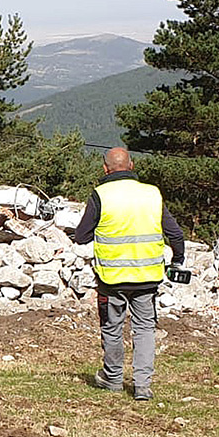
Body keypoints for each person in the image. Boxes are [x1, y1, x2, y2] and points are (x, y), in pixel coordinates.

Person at [69, 147, 190, 401]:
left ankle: (112, 379)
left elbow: (81, 236)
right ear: (132, 165)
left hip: (112, 278)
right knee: (144, 328)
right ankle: (142, 386)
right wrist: (177, 260)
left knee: (112, 327)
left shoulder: (100, 195)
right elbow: (176, 234)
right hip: (147, 277)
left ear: (105, 169)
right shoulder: (152, 194)